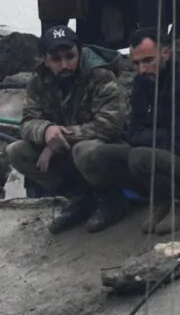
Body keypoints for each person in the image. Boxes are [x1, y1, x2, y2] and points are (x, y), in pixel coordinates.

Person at [9, 22, 128, 233]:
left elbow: (111, 125)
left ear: (79, 53)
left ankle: (111, 201)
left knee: (84, 151)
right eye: (56, 59)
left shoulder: (100, 75)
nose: (64, 64)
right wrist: (45, 131)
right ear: (45, 60)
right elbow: (27, 122)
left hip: (106, 149)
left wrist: (58, 139)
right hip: (67, 151)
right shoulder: (39, 81)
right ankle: (79, 199)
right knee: (16, 152)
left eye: (70, 56)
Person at [109, 32, 180, 236]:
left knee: (139, 156)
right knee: (101, 155)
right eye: (136, 63)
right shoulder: (143, 82)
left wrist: (149, 135)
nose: (142, 69)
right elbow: (132, 132)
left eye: (148, 60)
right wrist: (160, 134)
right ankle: (165, 199)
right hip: (167, 155)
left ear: (166, 53)